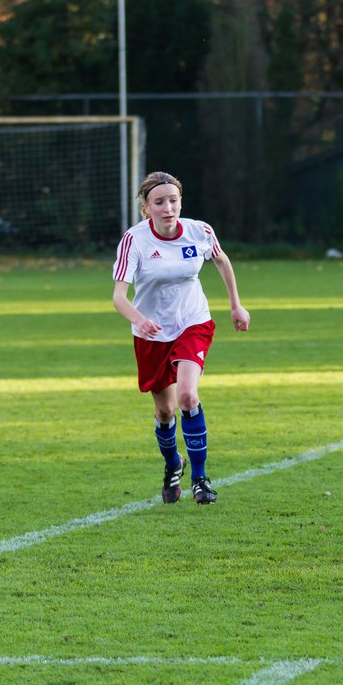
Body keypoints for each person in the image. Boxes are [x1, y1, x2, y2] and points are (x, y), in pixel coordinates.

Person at [112, 172, 251, 505]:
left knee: (188, 395)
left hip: (193, 322)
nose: (168, 208)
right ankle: (174, 464)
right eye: (159, 202)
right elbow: (119, 296)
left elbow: (221, 259)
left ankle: (200, 479)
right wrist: (140, 320)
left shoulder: (198, 230)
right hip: (152, 334)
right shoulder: (135, 240)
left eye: (173, 200)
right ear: (146, 208)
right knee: (165, 412)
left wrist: (236, 305)